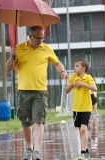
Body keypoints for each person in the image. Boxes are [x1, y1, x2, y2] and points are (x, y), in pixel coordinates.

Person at [6, 26, 68, 160]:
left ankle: (37, 151)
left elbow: (57, 63)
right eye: (38, 38)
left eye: (42, 38)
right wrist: (12, 57)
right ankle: (29, 148)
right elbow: (9, 68)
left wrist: (62, 72)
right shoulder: (20, 48)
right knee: (26, 123)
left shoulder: (47, 49)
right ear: (30, 37)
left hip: (40, 91)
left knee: (38, 121)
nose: (41, 40)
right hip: (23, 91)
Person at [65, 58, 97, 160]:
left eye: (77, 66)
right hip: (76, 109)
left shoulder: (88, 77)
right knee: (80, 131)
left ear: (84, 68)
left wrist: (82, 84)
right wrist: (72, 84)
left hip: (86, 108)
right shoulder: (73, 77)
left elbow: (94, 88)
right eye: (74, 66)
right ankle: (86, 150)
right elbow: (66, 90)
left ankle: (83, 152)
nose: (74, 68)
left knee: (84, 130)